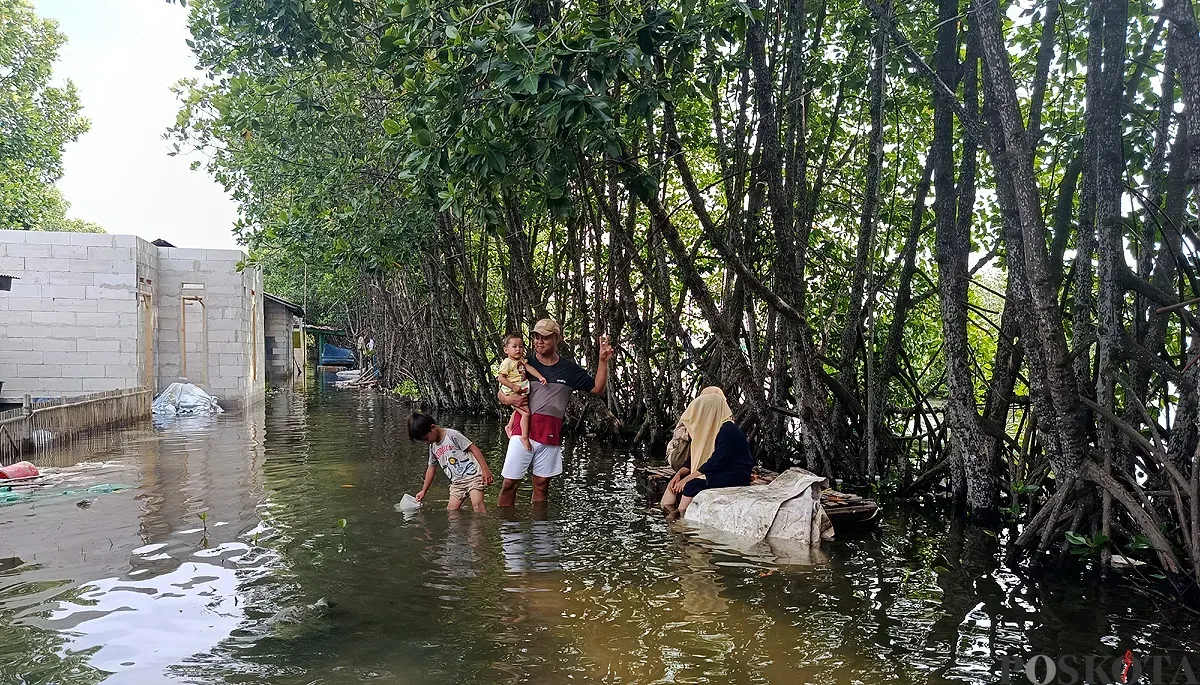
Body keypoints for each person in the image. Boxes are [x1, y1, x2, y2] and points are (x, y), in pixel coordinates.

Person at [496, 318, 613, 508]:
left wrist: (602, 361)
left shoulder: (569, 369)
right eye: (536, 337)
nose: (539, 342)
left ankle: (540, 533)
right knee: (509, 484)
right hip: (522, 429)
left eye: (545, 338)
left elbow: (597, 389)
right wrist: (509, 399)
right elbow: (501, 391)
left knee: (542, 486)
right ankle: (508, 532)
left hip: (551, 432)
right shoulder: (525, 363)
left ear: (557, 339)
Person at [659, 387, 753, 517]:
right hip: (716, 470)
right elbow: (693, 458)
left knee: (692, 485)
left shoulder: (729, 430)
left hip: (734, 473)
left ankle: (679, 518)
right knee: (674, 482)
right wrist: (678, 475)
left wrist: (687, 479)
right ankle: (664, 512)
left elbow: (716, 461)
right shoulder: (708, 430)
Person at [410, 412, 495, 512]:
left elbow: (474, 448)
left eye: (426, 438)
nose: (426, 442)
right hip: (457, 482)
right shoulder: (432, 446)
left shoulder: (452, 435)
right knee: (451, 511)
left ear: (433, 427)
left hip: (474, 476)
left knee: (477, 506)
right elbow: (431, 468)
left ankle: (479, 527)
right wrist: (423, 491)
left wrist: (485, 470)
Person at [496, 333, 548, 452]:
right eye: (514, 347)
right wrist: (513, 386)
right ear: (506, 349)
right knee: (526, 413)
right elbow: (501, 378)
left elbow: (529, 368)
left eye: (521, 346)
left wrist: (540, 377)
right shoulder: (507, 362)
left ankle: (509, 427)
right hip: (512, 391)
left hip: (521, 390)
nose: (518, 349)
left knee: (518, 409)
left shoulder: (521, 360)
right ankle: (524, 437)